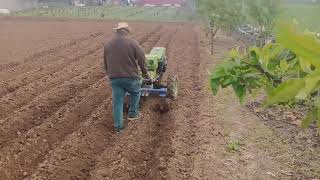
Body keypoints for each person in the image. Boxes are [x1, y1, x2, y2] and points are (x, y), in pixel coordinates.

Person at [103, 22, 149, 133]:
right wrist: (145, 73)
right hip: (130, 77)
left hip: (114, 78)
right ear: (127, 31)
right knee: (136, 92)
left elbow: (105, 61)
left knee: (117, 102)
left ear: (117, 31)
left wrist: (109, 74)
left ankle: (119, 127)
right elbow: (142, 59)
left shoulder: (108, 44)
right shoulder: (132, 43)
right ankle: (133, 113)